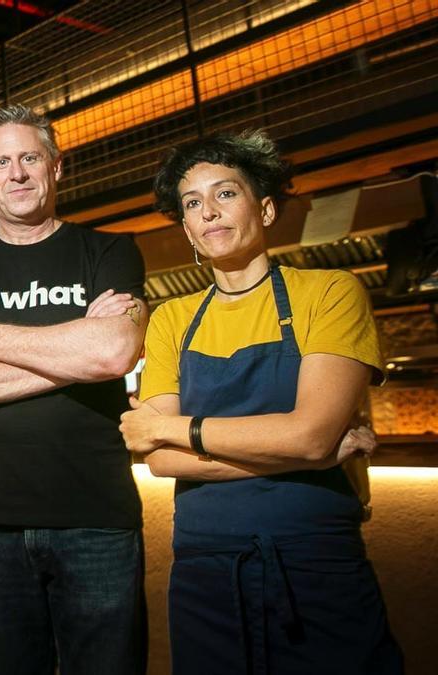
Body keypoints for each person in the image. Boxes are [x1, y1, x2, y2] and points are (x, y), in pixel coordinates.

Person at [120, 129, 403, 673]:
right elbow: (159, 460)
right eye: (193, 204)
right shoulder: (173, 320)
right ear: (186, 229)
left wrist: (177, 428)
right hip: (204, 567)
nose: (209, 212)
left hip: (315, 560)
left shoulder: (330, 293)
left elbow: (309, 435)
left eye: (226, 193)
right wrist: (308, 455)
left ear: (266, 209)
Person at [0, 104, 149, 674]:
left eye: (29, 157)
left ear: (56, 167)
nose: (16, 173)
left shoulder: (110, 251)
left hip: (97, 519)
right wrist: (77, 350)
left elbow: (116, 352)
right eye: (2, 161)